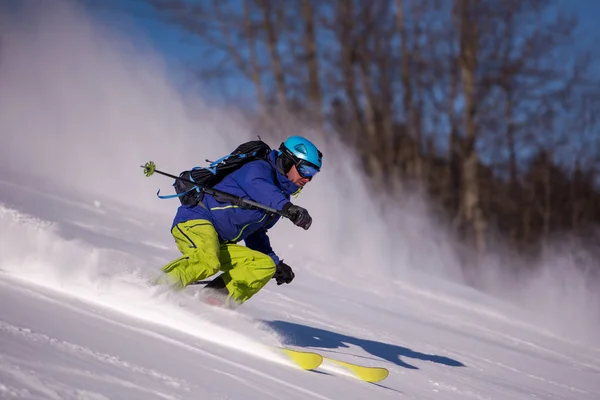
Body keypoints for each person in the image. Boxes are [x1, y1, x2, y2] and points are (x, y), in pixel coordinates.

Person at [159, 136, 323, 308]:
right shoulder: (258, 169)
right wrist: (288, 208)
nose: (308, 179)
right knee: (207, 261)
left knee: (264, 265)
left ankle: (210, 302)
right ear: (288, 161)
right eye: (305, 170)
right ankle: (156, 289)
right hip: (196, 221)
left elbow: (256, 232)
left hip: (219, 243)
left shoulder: (280, 198)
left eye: (313, 174)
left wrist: (276, 264)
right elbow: (260, 188)